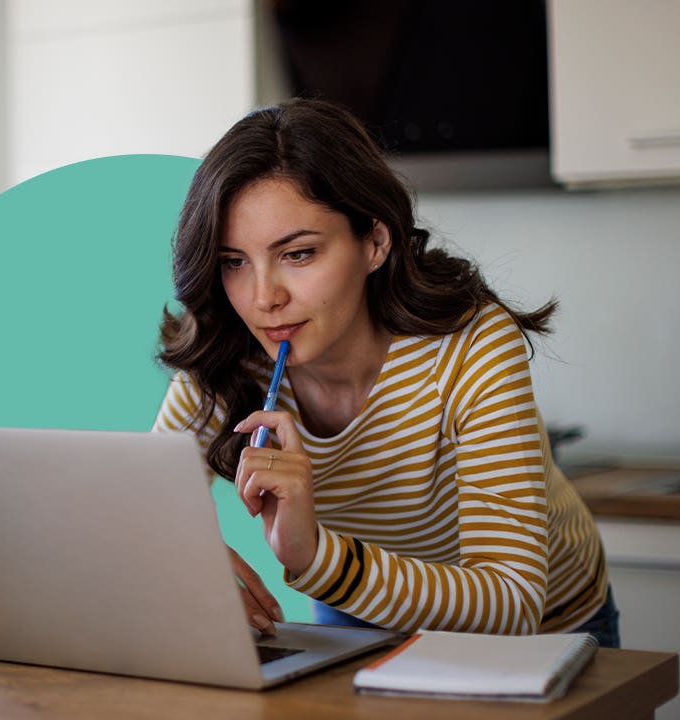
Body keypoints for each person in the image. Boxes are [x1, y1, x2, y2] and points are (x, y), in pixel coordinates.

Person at [152, 98, 619, 648]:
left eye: (298, 254)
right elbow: (144, 514)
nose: (263, 299)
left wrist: (317, 558)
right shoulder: (228, 351)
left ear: (374, 242)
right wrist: (190, 569)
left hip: (544, 630)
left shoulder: (470, 343)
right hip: (361, 612)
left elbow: (512, 599)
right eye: (234, 262)